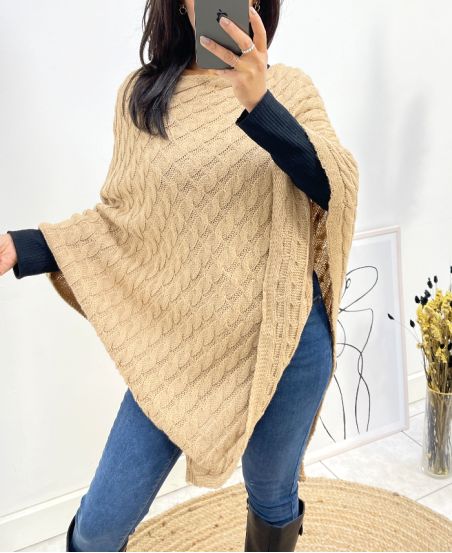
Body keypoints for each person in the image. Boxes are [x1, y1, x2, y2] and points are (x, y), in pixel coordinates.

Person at [1, 1, 359, 551]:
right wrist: (24, 246)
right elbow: (122, 221)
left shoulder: (289, 86)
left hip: (286, 342)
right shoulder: (142, 96)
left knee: (272, 497)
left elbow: (335, 189)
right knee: (99, 527)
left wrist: (260, 103)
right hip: (179, 349)